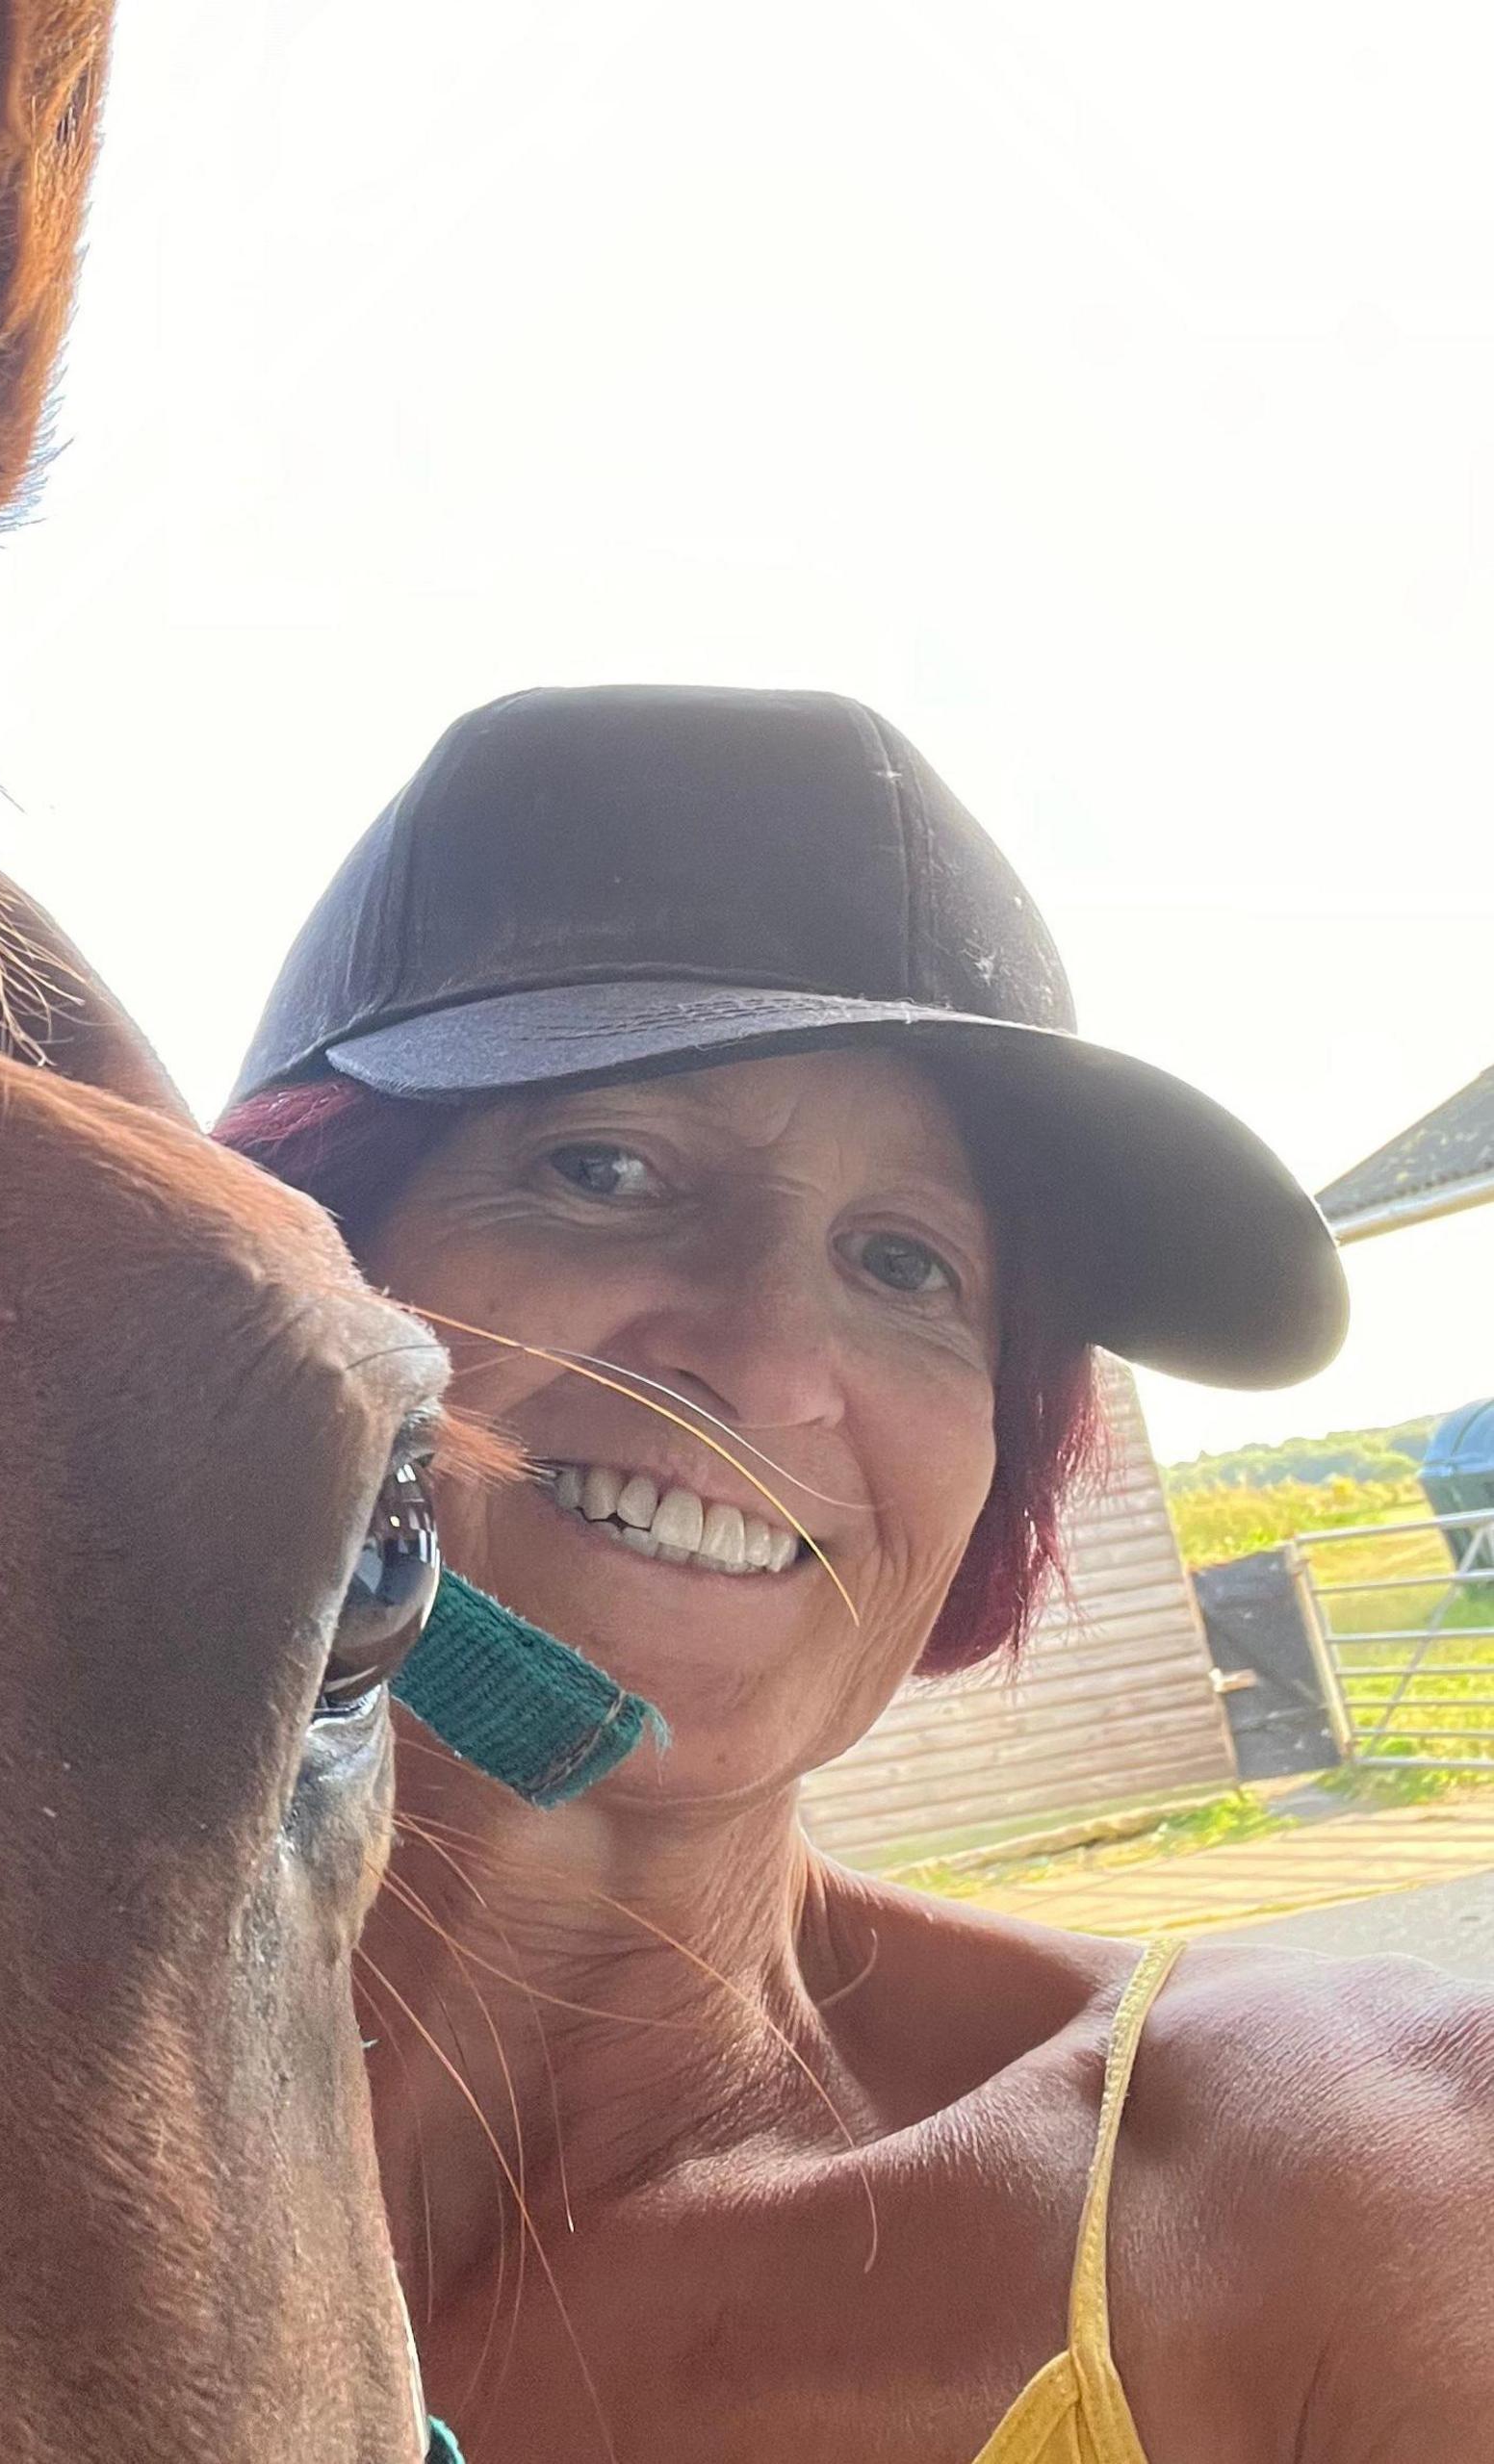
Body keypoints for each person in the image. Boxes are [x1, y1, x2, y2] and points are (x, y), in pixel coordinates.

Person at [216, 685, 1494, 2464]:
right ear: (301, 1277)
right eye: (604, 1169)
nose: (766, 1358)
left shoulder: (1342, 2194)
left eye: (908, 1265)